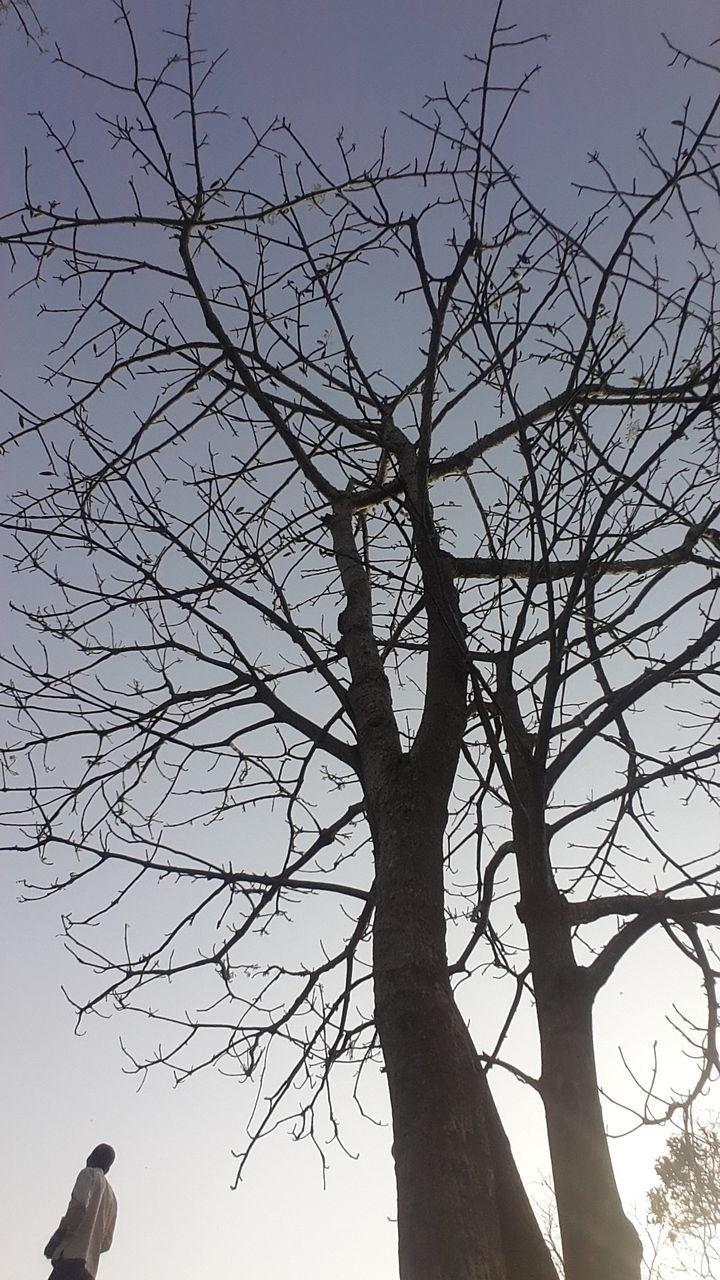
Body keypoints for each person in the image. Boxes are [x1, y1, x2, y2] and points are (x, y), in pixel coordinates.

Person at [44, 1144, 117, 1280]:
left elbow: (79, 1206)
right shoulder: (112, 1198)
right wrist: (90, 1246)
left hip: (70, 1260)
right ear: (107, 1168)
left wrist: (59, 1237)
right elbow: (106, 1242)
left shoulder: (88, 1174)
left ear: (91, 1156)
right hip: (88, 1271)